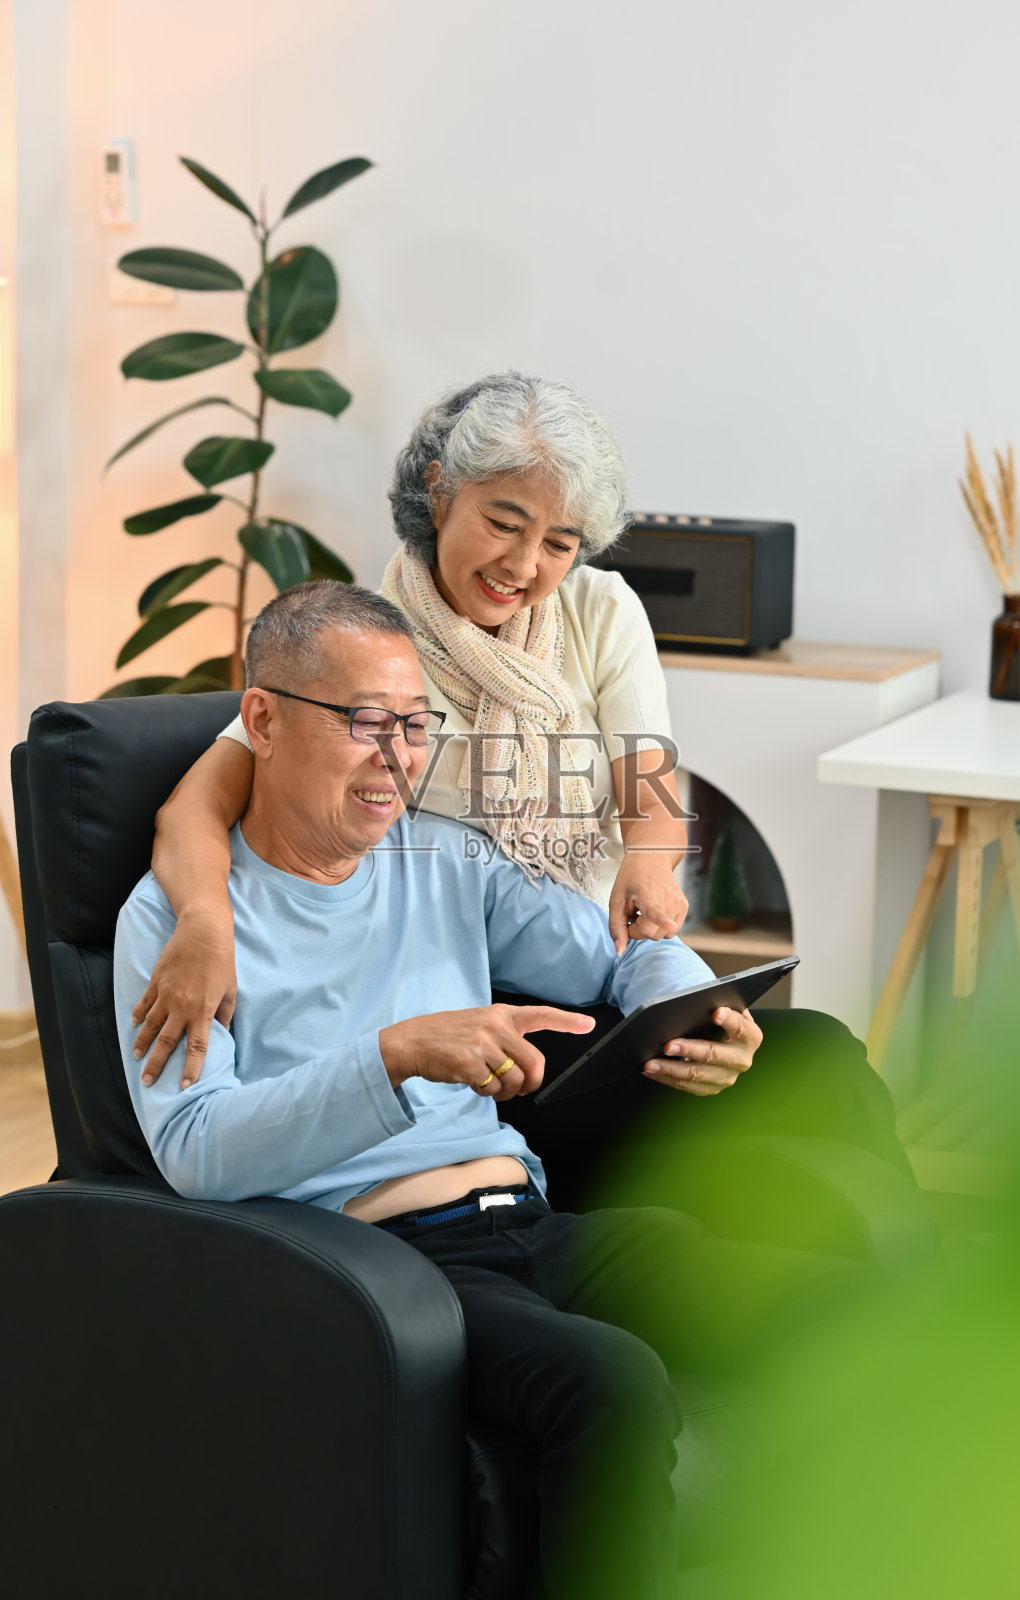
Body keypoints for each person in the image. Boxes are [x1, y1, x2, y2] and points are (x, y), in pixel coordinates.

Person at [113, 582, 798, 1600]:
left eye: (417, 726)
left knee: (812, 1302)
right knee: (610, 1385)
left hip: (530, 1219)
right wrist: (392, 1056)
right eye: (364, 725)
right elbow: (197, 1150)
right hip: (383, 1267)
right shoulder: (175, 929)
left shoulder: (445, 859)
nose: (398, 758)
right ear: (260, 718)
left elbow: (619, 954)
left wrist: (692, 1003)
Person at [132, 372, 693, 1088]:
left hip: (609, 955)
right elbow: (193, 808)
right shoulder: (364, 648)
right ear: (437, 490)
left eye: (559, 542)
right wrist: (205, 926)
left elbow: (648, 782)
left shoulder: (601, 608)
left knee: (809, 1050)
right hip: (458, 996)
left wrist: (649, 859)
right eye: (503, 523)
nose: (522, 566)